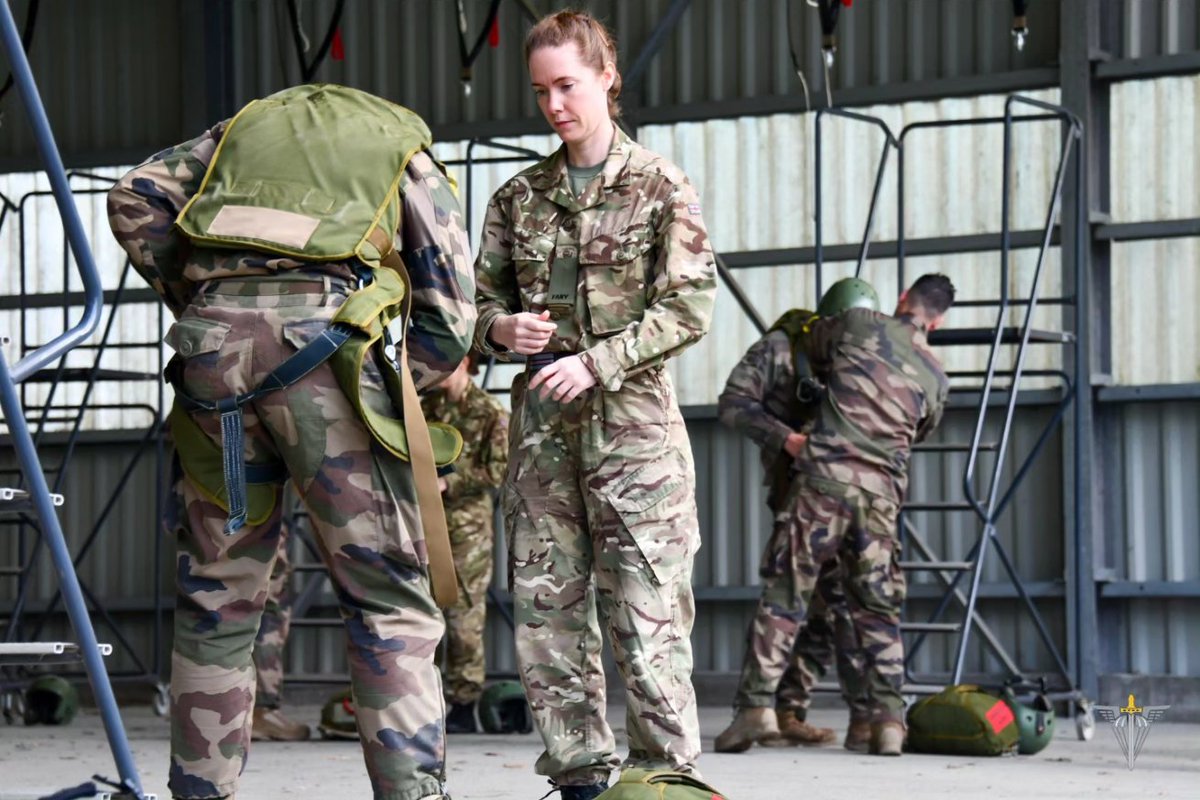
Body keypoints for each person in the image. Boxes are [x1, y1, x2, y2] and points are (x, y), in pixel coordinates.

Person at [109, 84, 475, 800]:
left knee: (218, 597)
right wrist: (403, 381)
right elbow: (451, 307)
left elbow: (133, 196)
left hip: (212, 353)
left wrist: (204, 304)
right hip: (328, 350)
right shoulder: (401, 144)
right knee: (387, 595)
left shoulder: (243, 127)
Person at [472, 11, 716, 800]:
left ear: (607, 76)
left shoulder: (659, 186)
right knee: (549, 618)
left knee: (646, 616)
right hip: (542, 437)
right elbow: (469, 314)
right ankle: (578, 777)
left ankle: (664, 780)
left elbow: (689, 307)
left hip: (634, 440)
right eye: (541, 90)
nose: (553, 105)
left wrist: (598, 362)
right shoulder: (518, 199)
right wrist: (500, 328)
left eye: (567, 85)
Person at [714, 274, 954, 758]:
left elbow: (824, 349)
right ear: (940, 319)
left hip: (823, 482)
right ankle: (887, 721)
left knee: (786, 595)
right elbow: (918, 432)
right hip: (882, 496)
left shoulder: (858, 327)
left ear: (902, 297)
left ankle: (756, 709)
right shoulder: (936, 374)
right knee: (878, 609)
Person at [714, 278, 879, 752]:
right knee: (791, 602)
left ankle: (806, 713)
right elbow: (734, 404)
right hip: (799, 496)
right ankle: (767, 712)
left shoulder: (861, 357)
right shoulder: (781, 349)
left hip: (852, 498)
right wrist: (788, 440)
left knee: (841, 606)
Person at [420, 352, 510, 734]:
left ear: (465, 363)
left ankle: (463, 702)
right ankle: (425, 700)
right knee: (424, 613)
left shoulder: (490, 412)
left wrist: (449, 482)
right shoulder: (424, 407)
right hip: (424, 522)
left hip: (467, 529)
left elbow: (499, 468)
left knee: (464, 617)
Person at [250, 494, 309, 742]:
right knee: (267, 608)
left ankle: (214, 710)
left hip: (204, 503)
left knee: (216, 607)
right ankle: (261, 711)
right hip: (253, 506)